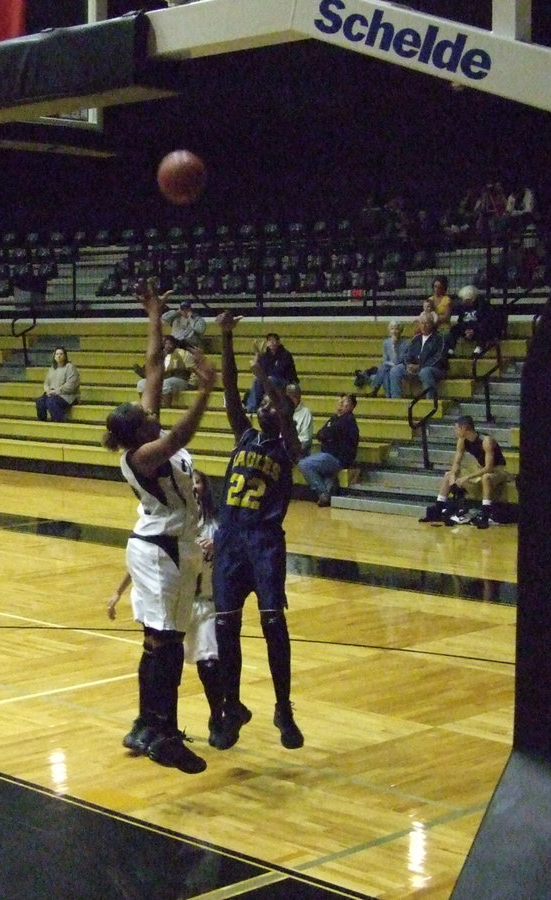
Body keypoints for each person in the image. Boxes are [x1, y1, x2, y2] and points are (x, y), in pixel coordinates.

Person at [101, 281, 218, 774]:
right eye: (145, 416)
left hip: (156, 546)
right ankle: (164, 734)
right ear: (139, 432)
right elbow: (181, 434)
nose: (151, 412)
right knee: (167, 642)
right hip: (164, 551)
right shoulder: (145, 454)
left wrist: (155, 316)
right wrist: (206, 390)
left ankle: (145, 725)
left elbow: (152, 368)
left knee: (155, 639)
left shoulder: (139, 433)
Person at [211, 309, 305, 751]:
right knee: (225, 627)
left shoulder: (289, 446)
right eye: (263, 403)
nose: (264, 406)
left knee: (273, 624)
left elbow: (284, 414)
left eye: (270, 402)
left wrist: (267, 377)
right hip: (230, 540)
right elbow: (231, 391)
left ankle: (283, 708)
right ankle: (233, 706)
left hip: (265, 543)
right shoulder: (244, 436)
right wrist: (227, 338)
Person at [108, 469, 226, 755]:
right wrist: (118, 591)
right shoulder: (170, 523)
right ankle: (156, 725)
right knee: (158, 654)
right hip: (176, 601)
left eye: (198, 482)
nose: (194, 487)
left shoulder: (216, 526)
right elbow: (146, 557)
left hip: (205, 603)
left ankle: (218, 719)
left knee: (207, 664)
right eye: (191, 482)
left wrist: (221, 546)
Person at [419, 416, 510, 528]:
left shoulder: (487, 441)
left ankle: (485, 515)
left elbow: (489, 468)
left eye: (457, 428)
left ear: (465, 428)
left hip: (498, 470)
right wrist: (453, 480)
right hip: (480, 467)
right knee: (448, 475)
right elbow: (456, 464)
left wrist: (466, 478)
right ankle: (438, 510)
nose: (455, 431)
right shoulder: (462, 441)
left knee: (486, 477)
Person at [298, 394, 360, 507]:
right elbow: (320, 434)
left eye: (345, 401)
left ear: (351, 407)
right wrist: (327, 434)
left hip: (338, 459)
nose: (341, 402)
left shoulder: (348, 420)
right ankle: (330, 489)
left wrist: (327, 434)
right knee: (325, 473)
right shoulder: (334, 418)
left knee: (304, 464)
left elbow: (328, 432)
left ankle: (323, 493)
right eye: (340, 400)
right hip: (329, 456)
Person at [389, 311, 447, 399]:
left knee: (425, 371)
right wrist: (408, 365)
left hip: (435, 369)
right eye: (422, 323)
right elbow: (407, 354)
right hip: (415, 368)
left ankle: (430, 402)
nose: (424, 326)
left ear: (432, 324)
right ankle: (396, 400)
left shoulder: (439, 338)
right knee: (395, 370)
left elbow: (438, 358)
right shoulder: (416, 338)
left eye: (426, 323)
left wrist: (419, 366)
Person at [446, 284, 504, 359]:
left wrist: (473, 330)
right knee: (454, 329)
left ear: (473, 299)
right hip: (467, 328)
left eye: (466, 300)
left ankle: (479, 349)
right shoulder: (463, 307)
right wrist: (465, 331)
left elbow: (485, 321)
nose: (463, 302)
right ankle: (450, 350)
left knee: (484, 328)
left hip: (478, 328)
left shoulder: (482, 306)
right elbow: (461, 321)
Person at [243, 333, 297, 413]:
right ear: (267, 343)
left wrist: (266, 376)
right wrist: (257, 357)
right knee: (257, 380)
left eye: (274, 340)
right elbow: (258, 371)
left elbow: (281, 372)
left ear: (279, 342)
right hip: (269, 380)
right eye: (269, 341)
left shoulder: (286, 355)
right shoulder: (265, 356)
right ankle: (251, 406)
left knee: (270, 379)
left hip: (285, 381)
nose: (272, 342)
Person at [360, 320, 405, 397]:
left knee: (385, 369)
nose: (394, 331)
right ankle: (387, 395)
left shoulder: (405, 344)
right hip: (388, 366)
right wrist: (389, 364)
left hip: (400, 366)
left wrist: (395, 348)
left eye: (396, 329)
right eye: (392, 329)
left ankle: (375, 389)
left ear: (400, 331)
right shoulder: (386, 343)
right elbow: (385, 359)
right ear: (389, 331)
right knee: (385, 370)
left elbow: (399, 360)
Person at [35, 346, 80, 422]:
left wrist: (56, 391)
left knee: (51, 401)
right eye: (57, 354)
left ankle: (59, 422)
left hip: (67, 396)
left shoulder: (70, 367)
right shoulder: (52, 368)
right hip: (52, 394)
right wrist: (47, 391)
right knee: (40, 401)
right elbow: (46, 383)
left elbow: (71, 386)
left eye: (61, 354)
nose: (59, 356)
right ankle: (42, 423)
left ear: (65, 356)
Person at [284, 383, 314, 455]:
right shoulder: (282, 411)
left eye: (292, 396)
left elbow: (305, 440)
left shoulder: (306, 413)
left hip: (297, 454)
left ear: (297, 397)